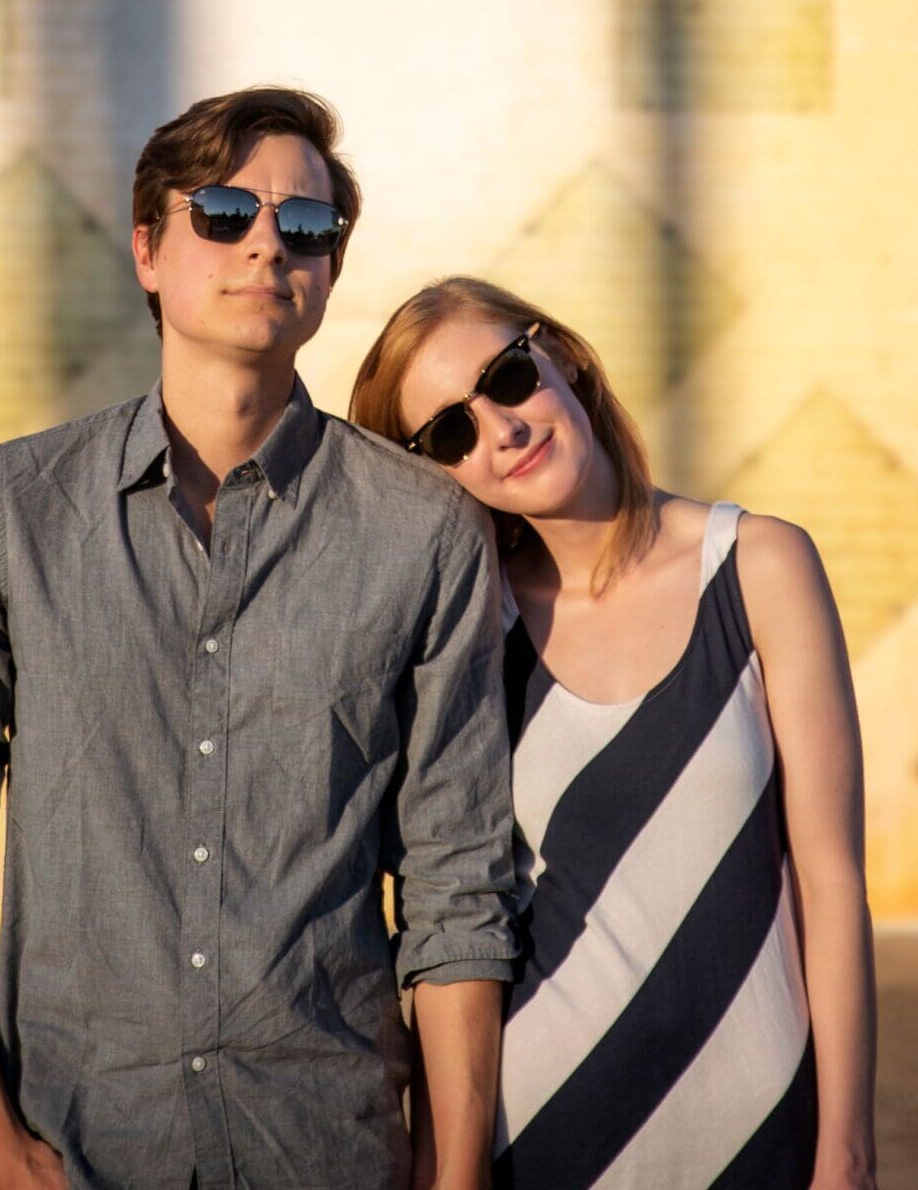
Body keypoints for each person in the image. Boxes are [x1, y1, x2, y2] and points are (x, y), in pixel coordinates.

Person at [0, 94, 518, 1190]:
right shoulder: (13, 508)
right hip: (81, 1140)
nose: (266, 243)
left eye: (305, 224)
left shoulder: (425, 529)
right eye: (222, 213)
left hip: (326, 1141)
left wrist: (454, 1171)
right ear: (147, 252)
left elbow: (456, 877)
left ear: (330, 270)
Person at [348, 277, 879, 1190]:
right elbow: (450, 921)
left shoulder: (759, 566)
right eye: (450, 433)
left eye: (508, 379)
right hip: (541, 1139)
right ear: (433, 471)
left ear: (562, 358)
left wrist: (848, 1150)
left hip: (764, 1136)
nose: (501, 430)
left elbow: (831, 880)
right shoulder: (469, 634)